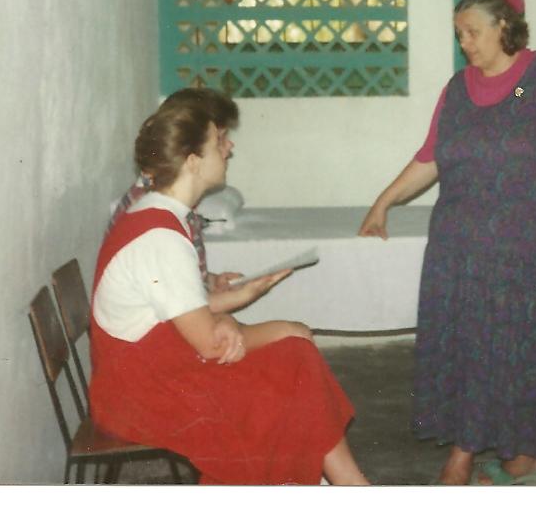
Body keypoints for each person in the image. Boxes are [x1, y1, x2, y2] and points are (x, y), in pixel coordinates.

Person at [359, 0, 536, 486]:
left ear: (503, 27)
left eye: (472, 32)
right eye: (459, 34)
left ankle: (521, 455)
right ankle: (464, 452)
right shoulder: (458, 89)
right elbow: (430, 157)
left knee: (524, 349)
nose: (464, 43)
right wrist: (384, 201)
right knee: (470, 347)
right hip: (462, 248)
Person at [90, 99, 368, 484]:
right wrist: (276, 328)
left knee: (292, 360)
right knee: (292, 352)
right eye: (219, 141)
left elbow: (183, 309)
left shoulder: (158, 214)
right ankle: (349, 485)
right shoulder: (161, 237)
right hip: (141, 396)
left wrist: (235, 307)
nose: (229, 147)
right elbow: (209, 344)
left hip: (153, 370)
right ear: (193, 161)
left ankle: (348, 485)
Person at [107, 87, 243, 293]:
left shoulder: (174, 200)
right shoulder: (153, 214)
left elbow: (172, 282)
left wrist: (211, 281)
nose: (229, 145)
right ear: (190, 152)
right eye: (219, 139)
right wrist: (246, 293)